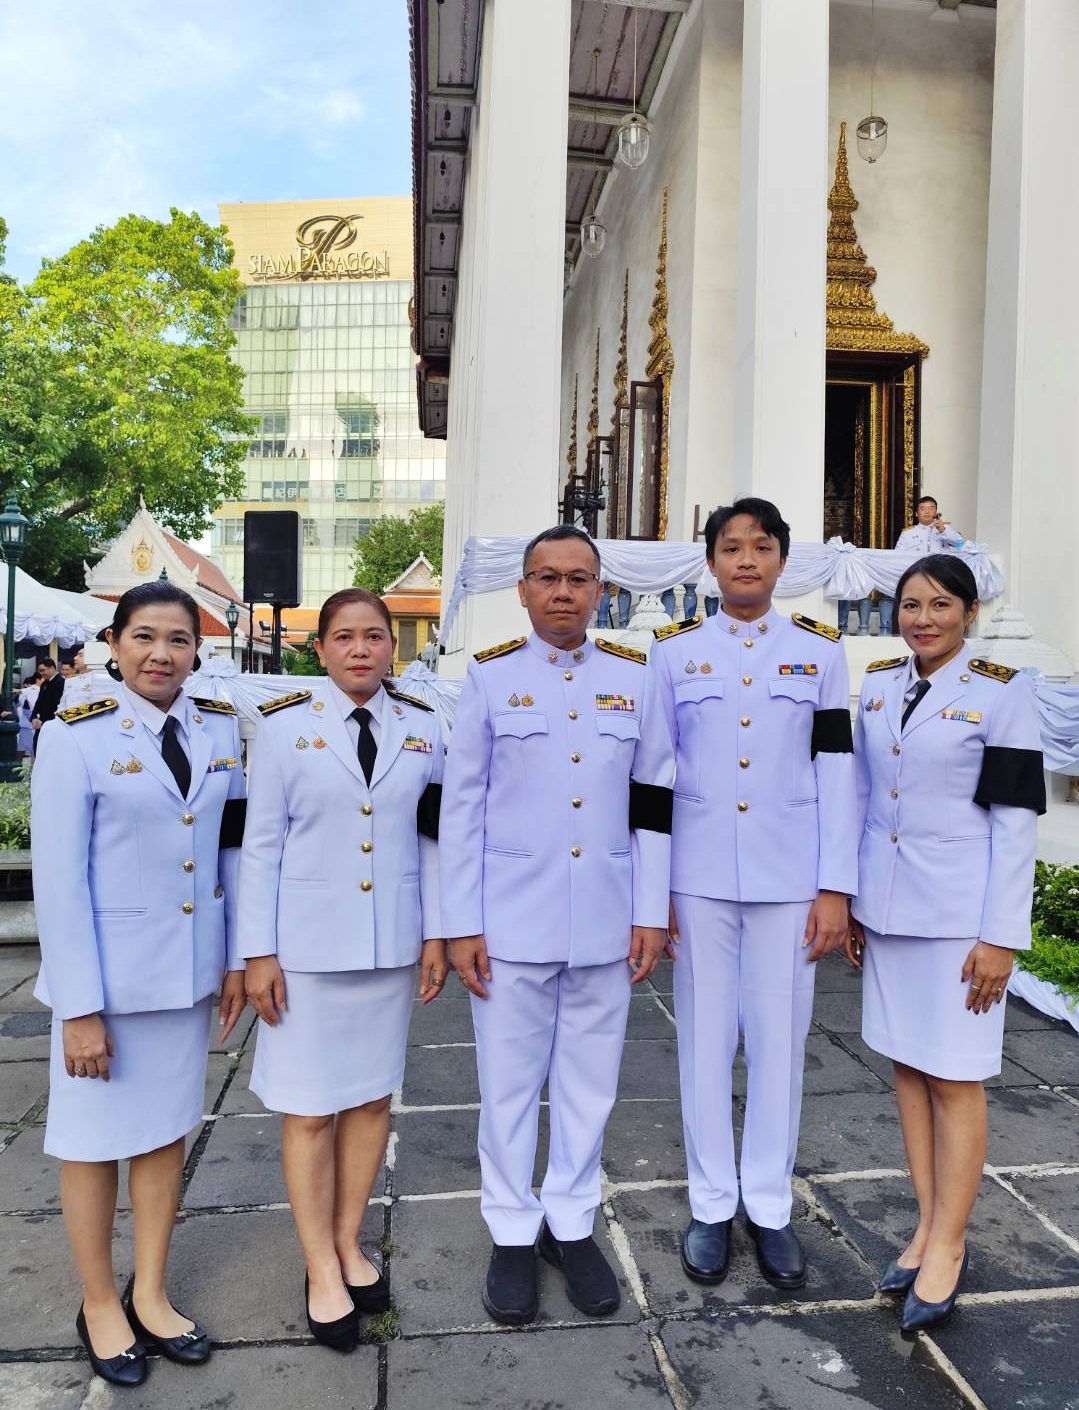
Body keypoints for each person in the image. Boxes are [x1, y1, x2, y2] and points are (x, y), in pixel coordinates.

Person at [440, 525, 673, 1325]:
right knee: (507, 1086)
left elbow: (653, 797)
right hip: (509, 920)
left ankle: (570, 1221)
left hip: (606, 917)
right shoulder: (489, 675)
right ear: (523, 590)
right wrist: (460, 923)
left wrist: (650, 911)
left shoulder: (634, 677)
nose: (563, 591)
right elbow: (461, 806)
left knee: (589, 1083)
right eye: (547, 577)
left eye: (578, 578)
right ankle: (511, 1228)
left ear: (600, 590)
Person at [30, 582, 247, 1386]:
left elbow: (229, 850)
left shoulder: (218, 726)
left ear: (197, 652)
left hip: (185, 979)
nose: (162, 654)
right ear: (115, 644)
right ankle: (98, 1302)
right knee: (91, 1146)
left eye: (179, 640)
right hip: (108, 989)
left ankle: (150, 1292)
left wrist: (233, 959)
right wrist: (79, 1008)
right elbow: (59, 882)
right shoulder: (75, 734)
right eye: (145, 637)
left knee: (164, 1135)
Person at [649, 497, 858, 1292]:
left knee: (778, 1044)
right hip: (698, 877)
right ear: (710, 562)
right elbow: (653, 776)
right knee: (704, 1043)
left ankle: (768, 1204)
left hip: (787, 878)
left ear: (781, 561)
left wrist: (833, 887)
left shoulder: (819, 652)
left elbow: (836, 771)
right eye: (731, 547)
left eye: (761, 546)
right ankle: (710, 1202)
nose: (746, 559)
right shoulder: (672, 653)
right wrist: (656, 891)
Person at [239, 588, 447, 1353]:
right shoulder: (283, 727)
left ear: (393, 646)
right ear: (320, 648)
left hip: (389, 946)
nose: (361, 649)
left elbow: (432, 838)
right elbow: (260, 846)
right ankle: (319, 1266)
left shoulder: (424, 726)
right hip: (305, 954)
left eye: (374, 636)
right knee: (308, 1112)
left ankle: (347, 1239)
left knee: (368, 1102)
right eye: (345, 637)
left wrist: (436, 933)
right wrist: (257, 952)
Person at [849, 555, 1044, 1332]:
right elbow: (865, 797)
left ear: (968, 612)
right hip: (889, 911)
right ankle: (927, 1224)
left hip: (960, 922)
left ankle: (951, 1244)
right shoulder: (877, 686)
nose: (922, 619)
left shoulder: (1001, 690)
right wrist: (855, 903)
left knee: (954, 1079)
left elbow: (1015, 821)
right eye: (909, 605)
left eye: (938, 605)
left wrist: (999, 936)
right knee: (907, 1067)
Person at [895, 496, 966, 557]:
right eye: (922, 509)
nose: (927, 512)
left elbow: (961, 544)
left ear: (936, 512)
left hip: (941, 567)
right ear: (916, 513)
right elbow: (898, 556)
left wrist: (943, 530)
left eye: (931, 508)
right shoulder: (907, 533)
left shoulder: (945, 528)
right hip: (917, 567)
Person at [30, 658, 63, 752]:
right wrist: (33, 717)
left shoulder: (61, 682)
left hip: (51, 722)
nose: (41, 673)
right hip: (40, 722)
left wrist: (42, 720)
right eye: (40, 671)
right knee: (37, 748)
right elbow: (39, 701)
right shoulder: (44, 683)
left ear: (52, 668)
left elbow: (56, 704)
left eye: (43, 670)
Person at [17, 668, 41, 755]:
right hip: (32, 721)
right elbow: (33, 706)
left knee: (23, 747)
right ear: (38, 679)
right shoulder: (35, 689)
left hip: (26, 722)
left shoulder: (30, 690)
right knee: (33, 748)